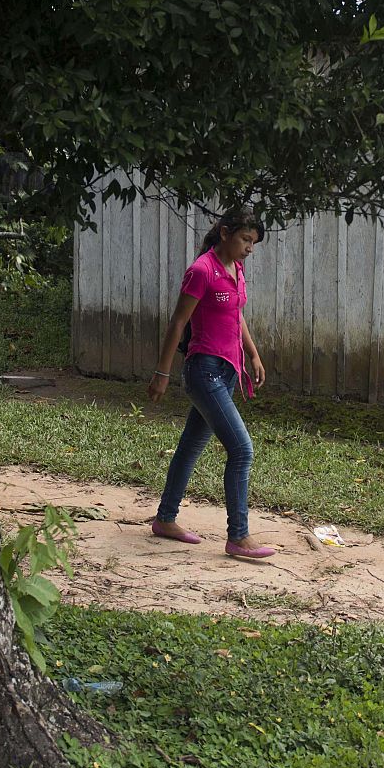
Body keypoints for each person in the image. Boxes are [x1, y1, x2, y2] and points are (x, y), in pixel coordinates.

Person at [146, 208, 273, 562]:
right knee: (242, 450)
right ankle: (238, 537)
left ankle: (165, 519)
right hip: (204, 372)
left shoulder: (236, 269)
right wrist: (162, 372)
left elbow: (236, 314)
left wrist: (253, 354)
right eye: (246, 240)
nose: (250, 248)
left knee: (189, 448)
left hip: (228, 371)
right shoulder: (201, 270)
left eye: (254, 242)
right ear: (224, 233)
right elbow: (177, 322)